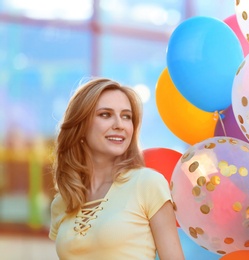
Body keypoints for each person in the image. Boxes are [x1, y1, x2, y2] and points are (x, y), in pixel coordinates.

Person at [49, 77, 184, 260]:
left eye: (126, 116)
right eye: (105, 114)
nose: (119, 125)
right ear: (80, 126)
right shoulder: (63, 201)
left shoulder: (148, 184)